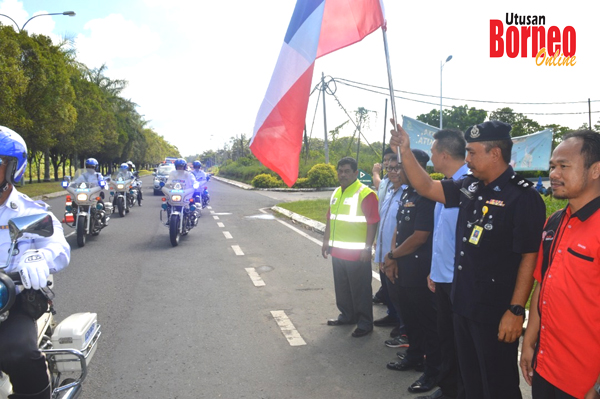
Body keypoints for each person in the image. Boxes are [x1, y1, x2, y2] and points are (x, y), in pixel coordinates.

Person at [390, 120, 546, 399]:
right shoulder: (470, 186)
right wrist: (405, 151)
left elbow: (529, 256)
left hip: (495, 311)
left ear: (495, 153)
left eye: (473, 153)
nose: (468, 158)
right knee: (471, 380)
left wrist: (515, 310)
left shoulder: (523, 197)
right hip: (463, 303)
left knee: (497, 384)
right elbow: (427, 186)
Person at [520, 130, 600, 399]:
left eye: (564, 166)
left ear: (595, 170)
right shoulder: (555, 221)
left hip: (584, 383)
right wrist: (529, 343)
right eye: (553, 166)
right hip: (546, 367)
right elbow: (543, 285)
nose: (553, 174)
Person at [0, 126, 70, 399]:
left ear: (12, 169)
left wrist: (40, 256)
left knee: (19, 353)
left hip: (11, 304)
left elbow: (59, 246)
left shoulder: (31, 211)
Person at [383, 149, 441, 395]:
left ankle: (432, 372)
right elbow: (400, 226)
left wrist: (393, 255)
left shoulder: (427, 195)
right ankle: (414, 356)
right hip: (404, 265)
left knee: (427, 322)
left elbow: (420, 237)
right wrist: (393, 256)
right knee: (410, 317)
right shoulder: (407, 192)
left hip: (420, 268)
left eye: (402, 166)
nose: (397, 171)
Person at [422, 129, 469, 399]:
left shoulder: (469, 186)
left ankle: (461, 390)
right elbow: (442, 235)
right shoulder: (447, 184)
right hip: (442, 277)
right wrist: (433, 271)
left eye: (432, 152)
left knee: (462, 344)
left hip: (459, 282)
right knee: (447, 340)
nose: (430, 157)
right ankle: (449, 389)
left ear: (443, 154)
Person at [322, 157, 379, 338]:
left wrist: (367, 248)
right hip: (338, 251)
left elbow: (373, 222)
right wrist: (326, 241)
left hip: (357, 254)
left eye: (347, 171)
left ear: (356, 173)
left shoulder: (365, 193)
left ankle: (364, 322)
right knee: (342, 287)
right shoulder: (337, 192)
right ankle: (347, 315)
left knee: (360, 289)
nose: (343, 174)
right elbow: (330, 218)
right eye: (340, 171)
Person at [373, 154, 408, 341]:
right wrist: (379, 252)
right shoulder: (389, 192)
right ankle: (394, 318)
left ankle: (405, 329)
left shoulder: (408, 193)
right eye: (390, 168)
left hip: (397, 256)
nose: (393, 171)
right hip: (384, 252)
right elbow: (383, 222)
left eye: (397, 168)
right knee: (389, 291)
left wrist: (391, 255)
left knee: (400, 294)